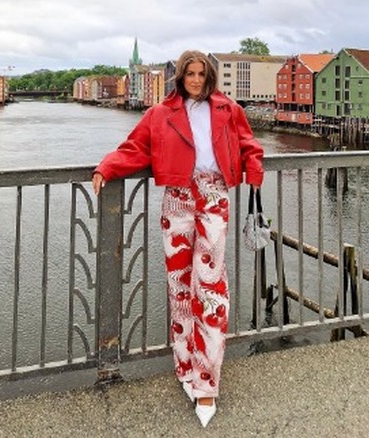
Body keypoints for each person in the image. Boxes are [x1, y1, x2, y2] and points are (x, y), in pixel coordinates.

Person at [93, 49, 264, 427]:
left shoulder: (227, 109)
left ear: (210, 76)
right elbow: (135, 148)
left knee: (211, 286)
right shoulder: (160, 114)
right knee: (179, 287)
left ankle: (207, 382)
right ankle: (184, 366)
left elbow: (248, 143)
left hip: (214, 196)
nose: (197, 80)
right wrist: (107, 167)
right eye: (190, 74)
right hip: (178, 199)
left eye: (203, 74)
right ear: (180, 77)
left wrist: (253, 169)